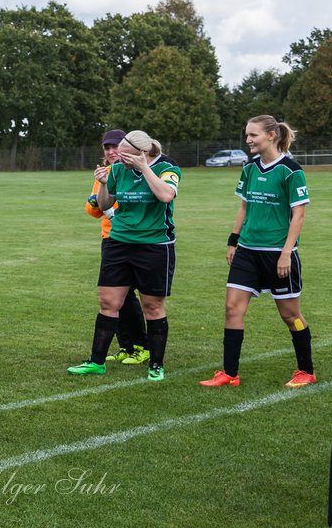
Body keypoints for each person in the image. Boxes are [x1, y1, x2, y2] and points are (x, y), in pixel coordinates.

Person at [200, 115, 315, 388]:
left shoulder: (290, 169)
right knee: (232, 309)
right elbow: (244, 207)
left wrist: (287, 252)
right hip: (247, 251)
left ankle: (306, 371)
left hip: (278, 253)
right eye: (247, 135)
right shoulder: (250, 167)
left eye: (253, 135)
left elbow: (298, 215)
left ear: (271, 136)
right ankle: (230, 373)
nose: (248, 140)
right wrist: (233, 240)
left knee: (290, 316)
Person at [68, 129, 179, 382]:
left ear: (142, 153)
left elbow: (165, 195)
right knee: (108, 302)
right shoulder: (117, 170)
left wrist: (144, 168)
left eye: (126, 155)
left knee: (152, 306)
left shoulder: (166, 167)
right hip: (119, 242)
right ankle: (96, 362)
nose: (120, 158)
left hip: (154, 245)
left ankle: (156, 364)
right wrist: (105, 185)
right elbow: (104, 204)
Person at [85, 129, 149, 366]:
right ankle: (127, 346)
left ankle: (143, 345)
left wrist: (111, 209)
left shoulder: (135, 171)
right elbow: (93, 210)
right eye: (107, 148)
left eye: (115, 147)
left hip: (135, 239)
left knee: (129, 296)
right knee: (116, 298)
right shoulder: (105, 172)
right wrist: (95, 202)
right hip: (110, 238)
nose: (112, 152)